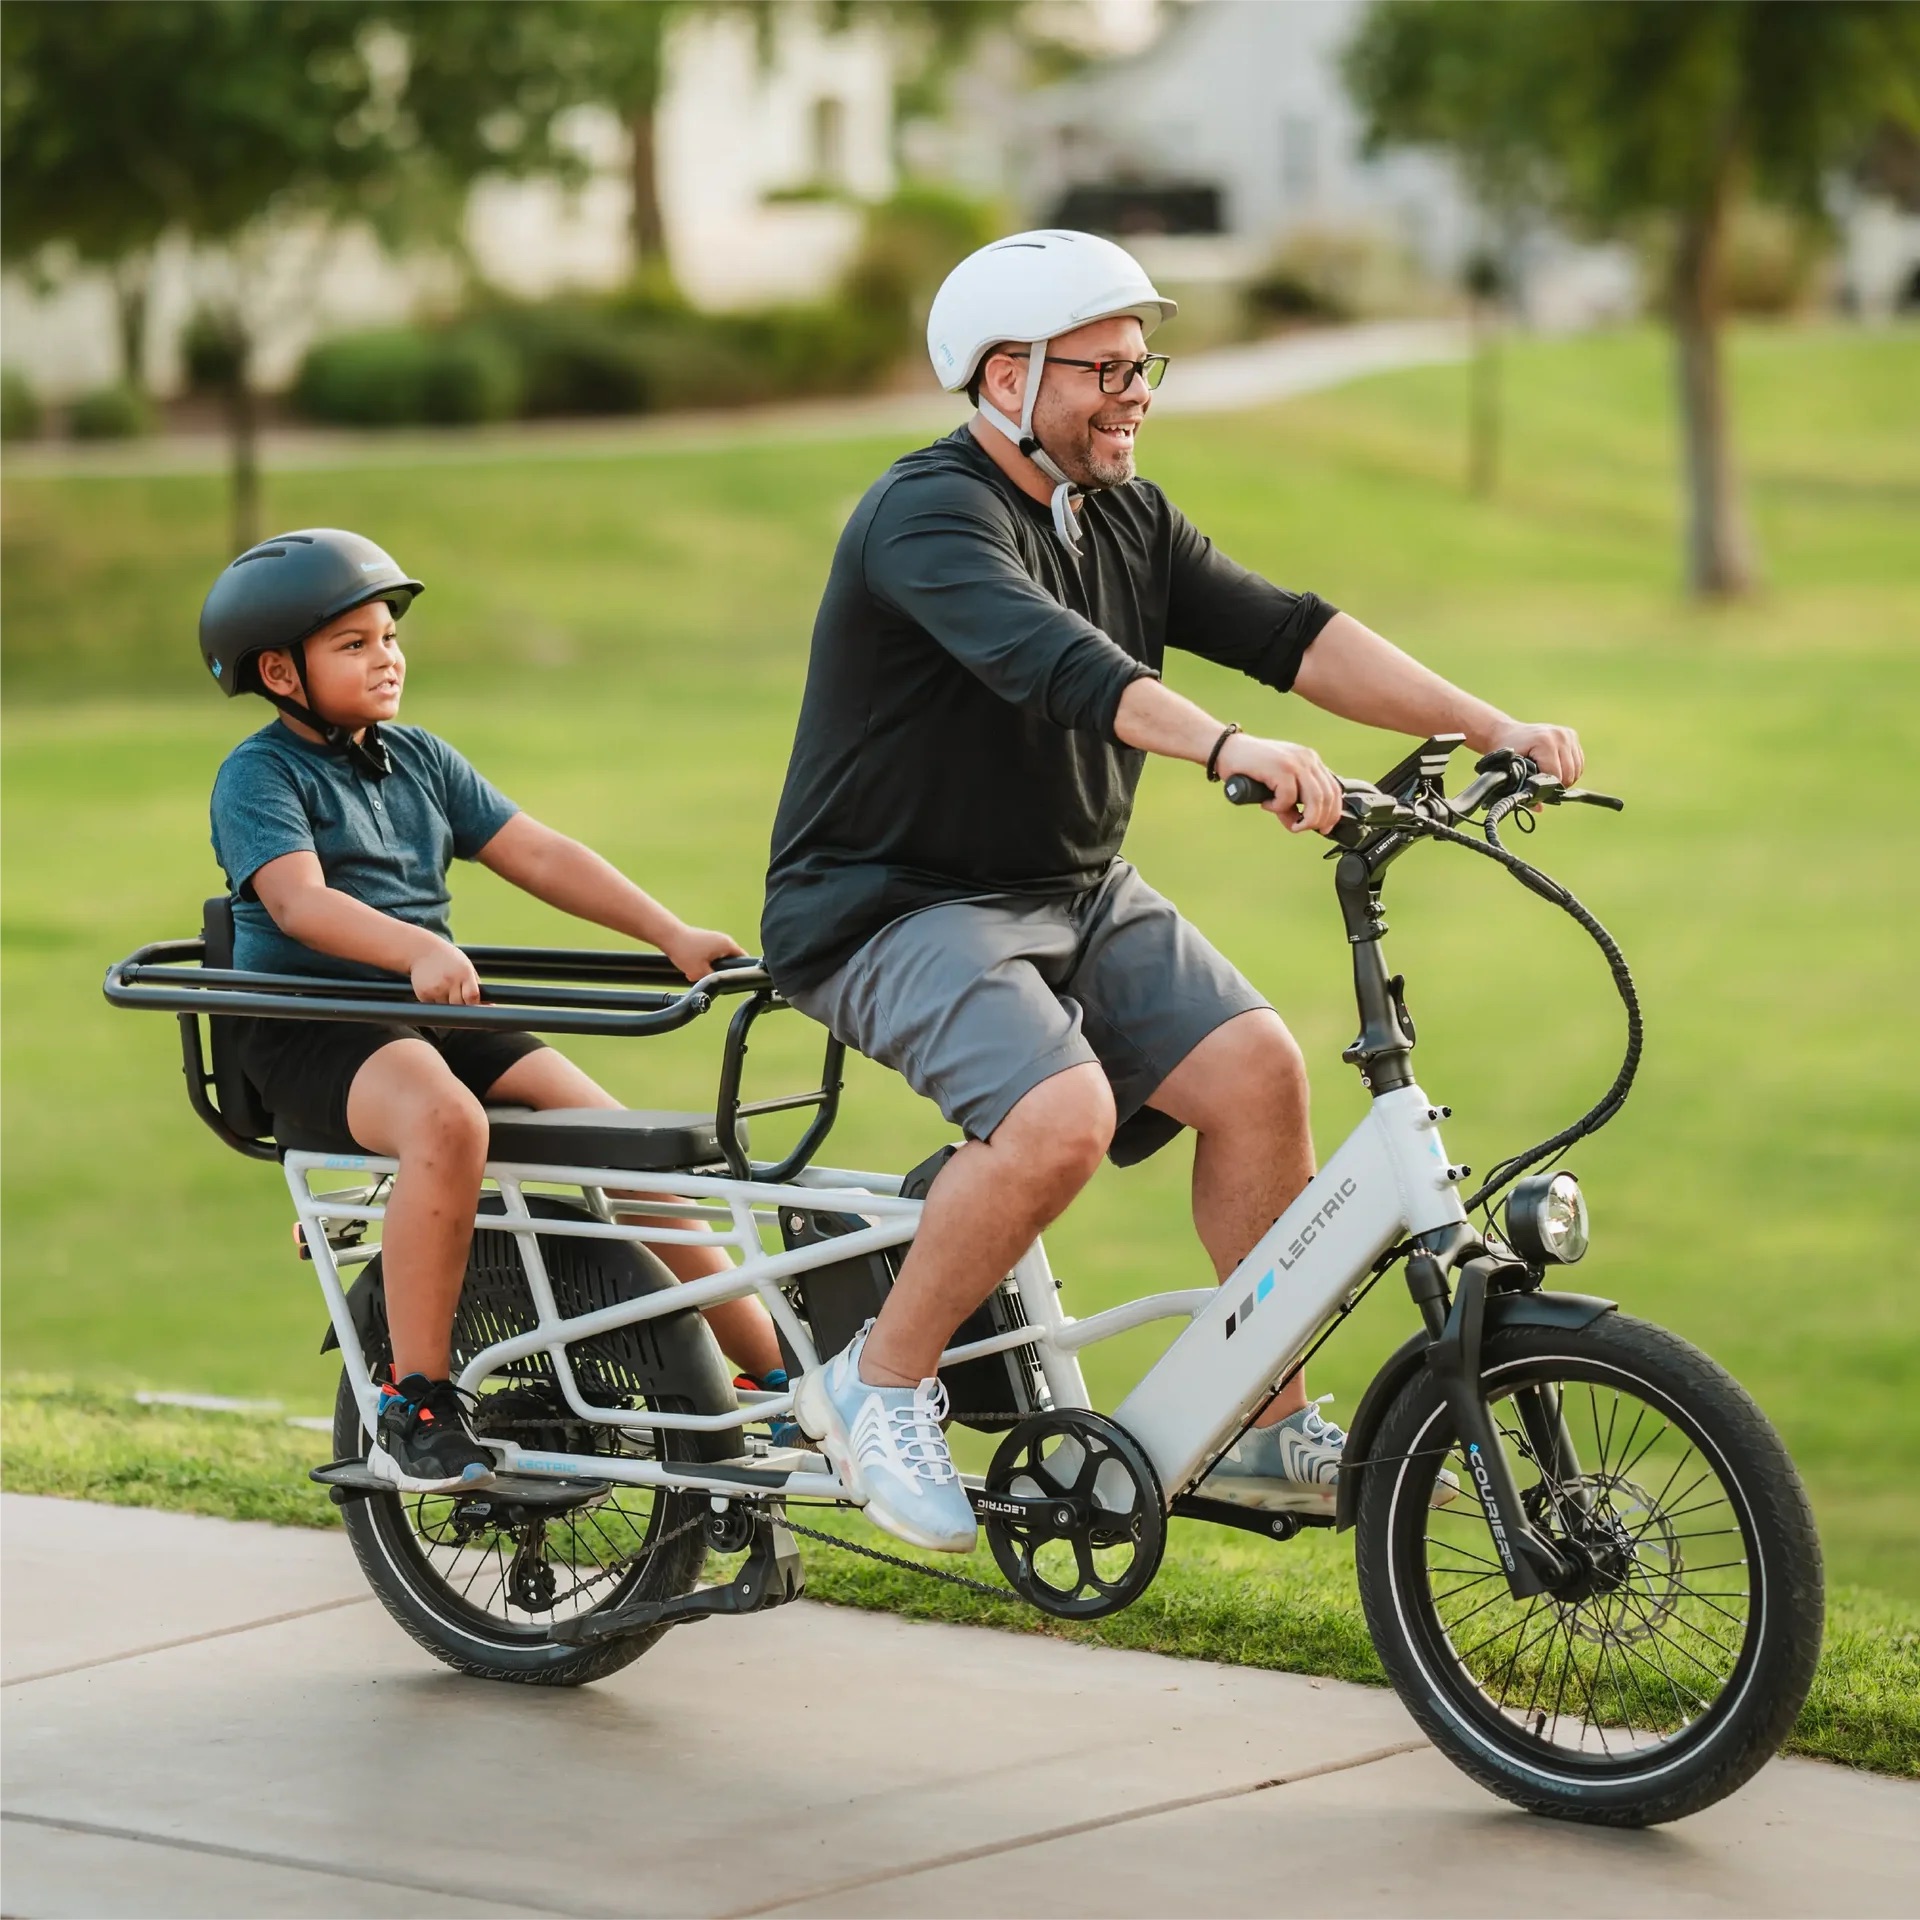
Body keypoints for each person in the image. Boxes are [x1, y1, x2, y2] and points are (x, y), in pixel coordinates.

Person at [763, 230, 1584, 1554]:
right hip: (891, 906)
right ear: (1006, 376)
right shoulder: (928, 516)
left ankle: (1264, 1424)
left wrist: (1488, 724)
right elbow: (1058, 663)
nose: (1138, 391)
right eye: (1110, 367)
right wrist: (1223, 747)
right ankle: (873, 1386)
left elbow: (1291, 632)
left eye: (1148, 365)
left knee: (1261, 1072)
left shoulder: (1126, 517)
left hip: (1073, 888)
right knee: (1057, 1119)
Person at [200, 529, 787, 1492]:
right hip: (315, 1025)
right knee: (447, 1120)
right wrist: (419, 946)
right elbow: (299, 901)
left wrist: (669, 933)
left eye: (388, 636)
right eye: (352, 644)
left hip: (432, 1014)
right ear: (279, 671)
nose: (386, 656)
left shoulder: (420, 759)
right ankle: (415, 1397)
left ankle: (775, 1370)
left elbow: (540, 852)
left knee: (613, 1134)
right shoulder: (260, 775)